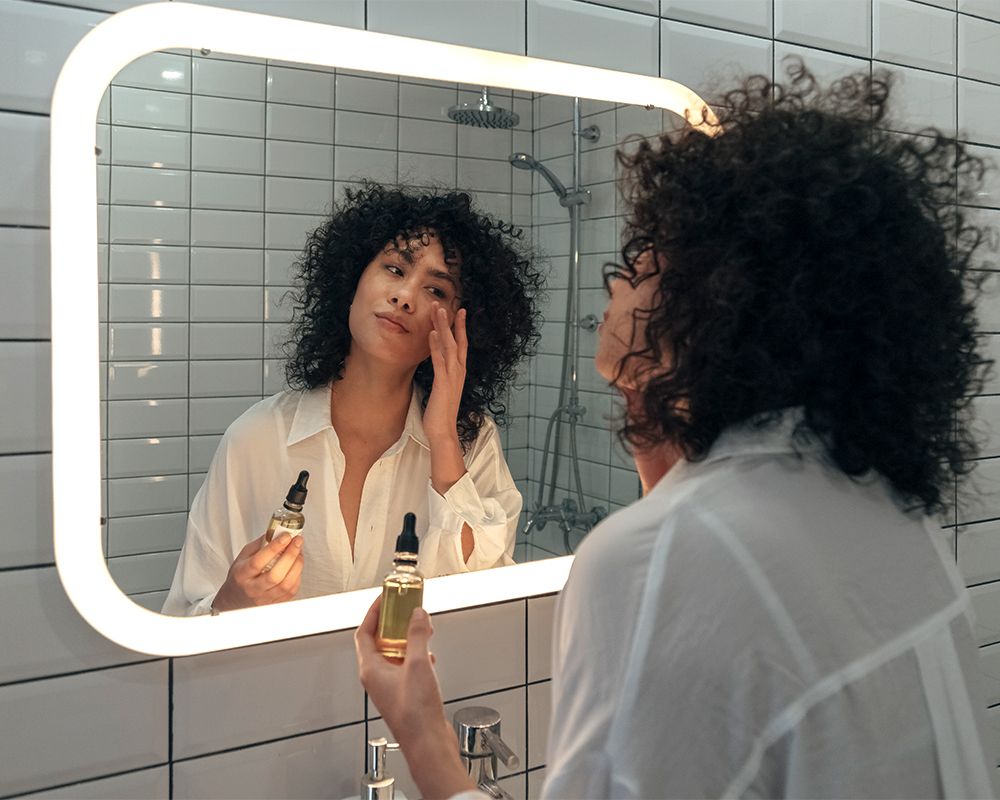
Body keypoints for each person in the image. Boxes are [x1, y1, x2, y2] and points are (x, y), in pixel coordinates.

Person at [355, 63, 999, 798]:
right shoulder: (889, 515)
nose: (617, 278)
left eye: (649, 255)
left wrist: (423, 735)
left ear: (719, 299)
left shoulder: (661, 562)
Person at [162, 184, 543, 616]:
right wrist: (232, 600)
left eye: (436, 291)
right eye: (395, 270)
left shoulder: (471, 442)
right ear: (353, 277)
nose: (404, 297)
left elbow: (490, 599)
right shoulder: (257, 437)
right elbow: (182, 615)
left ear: (462, 326)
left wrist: (441, 438)